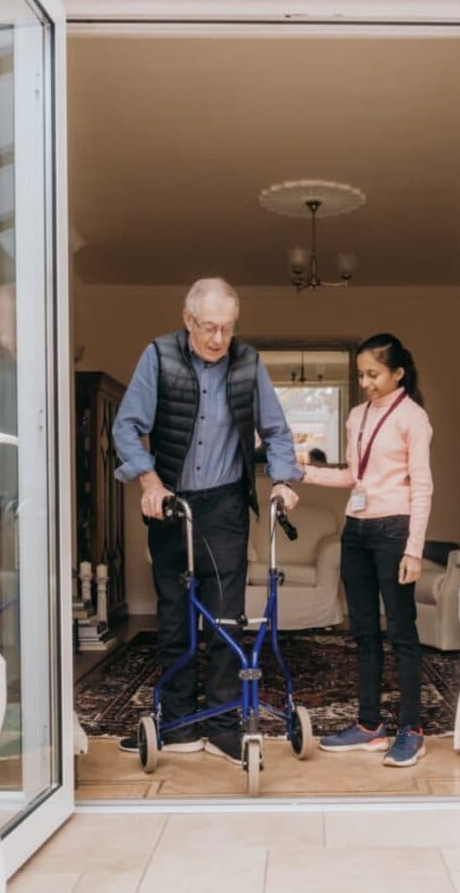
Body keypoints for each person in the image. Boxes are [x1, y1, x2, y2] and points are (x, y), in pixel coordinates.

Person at [112, 277, 303, 765]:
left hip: (224, 504)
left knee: (224, 615)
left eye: (228, 328)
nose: (219, 339)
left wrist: (282, 479)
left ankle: (221, 724)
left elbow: (277, 430)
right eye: (209, 328)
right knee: (175, 612)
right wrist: (150, 483)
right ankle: (177, 724)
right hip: (171, 500)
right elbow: (127, 427)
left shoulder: (249, 363)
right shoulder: (158, 356)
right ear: (187, 319)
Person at [302, 333, 433, 767]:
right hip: (356, 531)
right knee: (362, 631)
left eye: (373, 374)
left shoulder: (413, 418)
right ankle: (370, 725)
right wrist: (305, 473)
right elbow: (354, 478)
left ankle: (411, 730)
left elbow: (423, 487)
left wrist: (414, 550)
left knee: (401, 631)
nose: (365, 382)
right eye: (360, 374)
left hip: (394, 531)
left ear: (397, 373)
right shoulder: (356, 416)